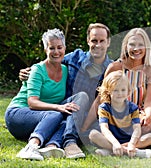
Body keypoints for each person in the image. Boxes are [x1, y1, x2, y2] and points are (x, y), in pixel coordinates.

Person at [18, 23, 113, 158]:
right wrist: (31, 70)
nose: (97, 45)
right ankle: (70, 142)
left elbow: (102, 101)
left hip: (88, 117)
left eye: (102, 41)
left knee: (101, 130)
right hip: (65, 109)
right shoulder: (75, 57)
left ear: (108, 42)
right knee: (81, 97)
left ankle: (53, 145)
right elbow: (51, 61)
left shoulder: (111, 68)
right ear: (88, 41)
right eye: (94, 40)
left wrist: (85, 126)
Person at [5, 28, 79, 160]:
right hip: (18, 115)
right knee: (57, 113)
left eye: (59, 47)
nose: (56, 52)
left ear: (65, 48)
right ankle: (31, 147)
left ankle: (51, 146)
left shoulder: (65, 70)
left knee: (66, 117)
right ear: (45, 50)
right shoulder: (37, 70)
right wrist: (58, 107)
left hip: (44, 118)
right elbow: (32, 102)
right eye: (51, 48)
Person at [82, 28, 151, 136]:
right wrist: (84, 127)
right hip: (117, 111)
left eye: (140, 45)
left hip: (138, 111)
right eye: (132, 44)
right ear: (126, 46)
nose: (136, 49)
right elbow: (101, 98)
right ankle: (130, 141)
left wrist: (148, 115)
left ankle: (121, 145)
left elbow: (149, 101)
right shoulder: (115, 67)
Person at [89, 70, 151, 158]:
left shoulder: (133, 108)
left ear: (128, 91)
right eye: (115, 90)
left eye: (123, 90)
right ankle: (130, 151)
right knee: (93, 134)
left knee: (150, 138)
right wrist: (115, 143)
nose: (120, 93)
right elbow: (104, 129)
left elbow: (137, 129)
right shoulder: (104, 108)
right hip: (110, 140)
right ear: (108, 91)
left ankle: (111, 151)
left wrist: (132, 143)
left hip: (129, 139)